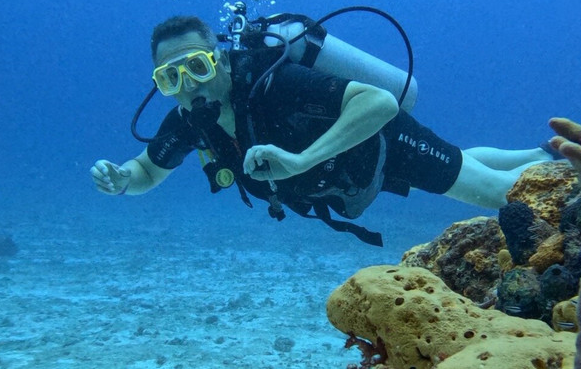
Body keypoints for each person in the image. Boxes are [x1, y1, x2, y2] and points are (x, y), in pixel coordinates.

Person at [91, 15, 554, 245]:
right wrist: (122, 179)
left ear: (220, 58)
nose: (189, 86)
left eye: (196, 66)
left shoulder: (274, 84)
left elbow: (379, 101)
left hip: (383, 143)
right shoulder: (191, 122)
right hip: (355, 176)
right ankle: (548, 154)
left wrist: (302, 160)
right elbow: (149, 171)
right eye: (170, 78)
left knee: (498, 194)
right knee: (468, 161)